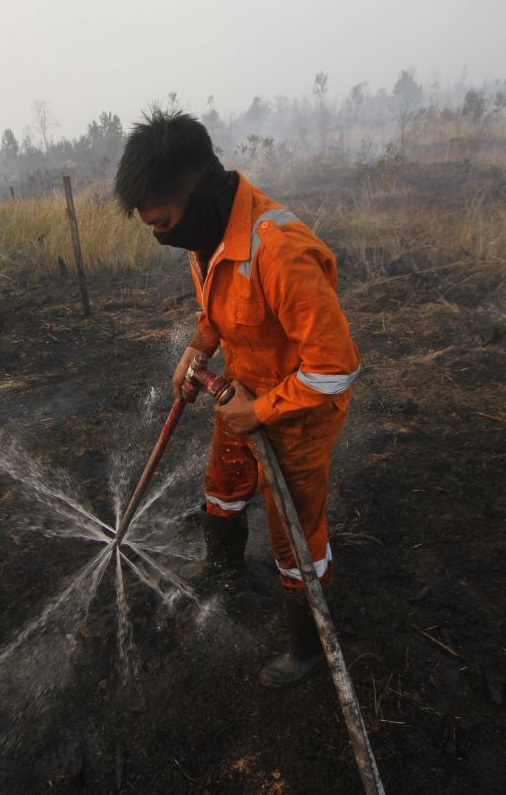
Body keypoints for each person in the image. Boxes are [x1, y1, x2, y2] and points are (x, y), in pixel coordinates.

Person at [113, 108, 361, 688]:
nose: (161, 236)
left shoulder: (280, 250)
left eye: (163, 223)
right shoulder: (207, 239)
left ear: (198, 194)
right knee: (221, 492)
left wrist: (263, 410)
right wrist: (195, 354)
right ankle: (221, 572)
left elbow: (335, 368)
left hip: (297, 415)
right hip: (241, 389)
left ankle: (308, 649)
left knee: (293, 537)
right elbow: (216, 312)